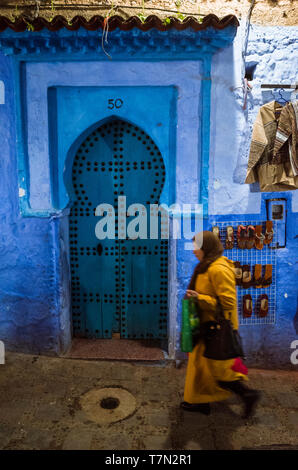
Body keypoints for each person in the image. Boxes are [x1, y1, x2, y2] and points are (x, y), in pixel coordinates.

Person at [181, 231, 261, 419]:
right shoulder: (206, 266)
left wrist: (200, 298)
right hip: (206, 325)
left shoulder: (218, 269)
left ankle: (247, 395)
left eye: (197, 247)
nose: (194, 251)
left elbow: (228, 302)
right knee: (202, 366)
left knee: (219, 370)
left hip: (216, 328)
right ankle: (201, 402)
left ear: (206, 247)